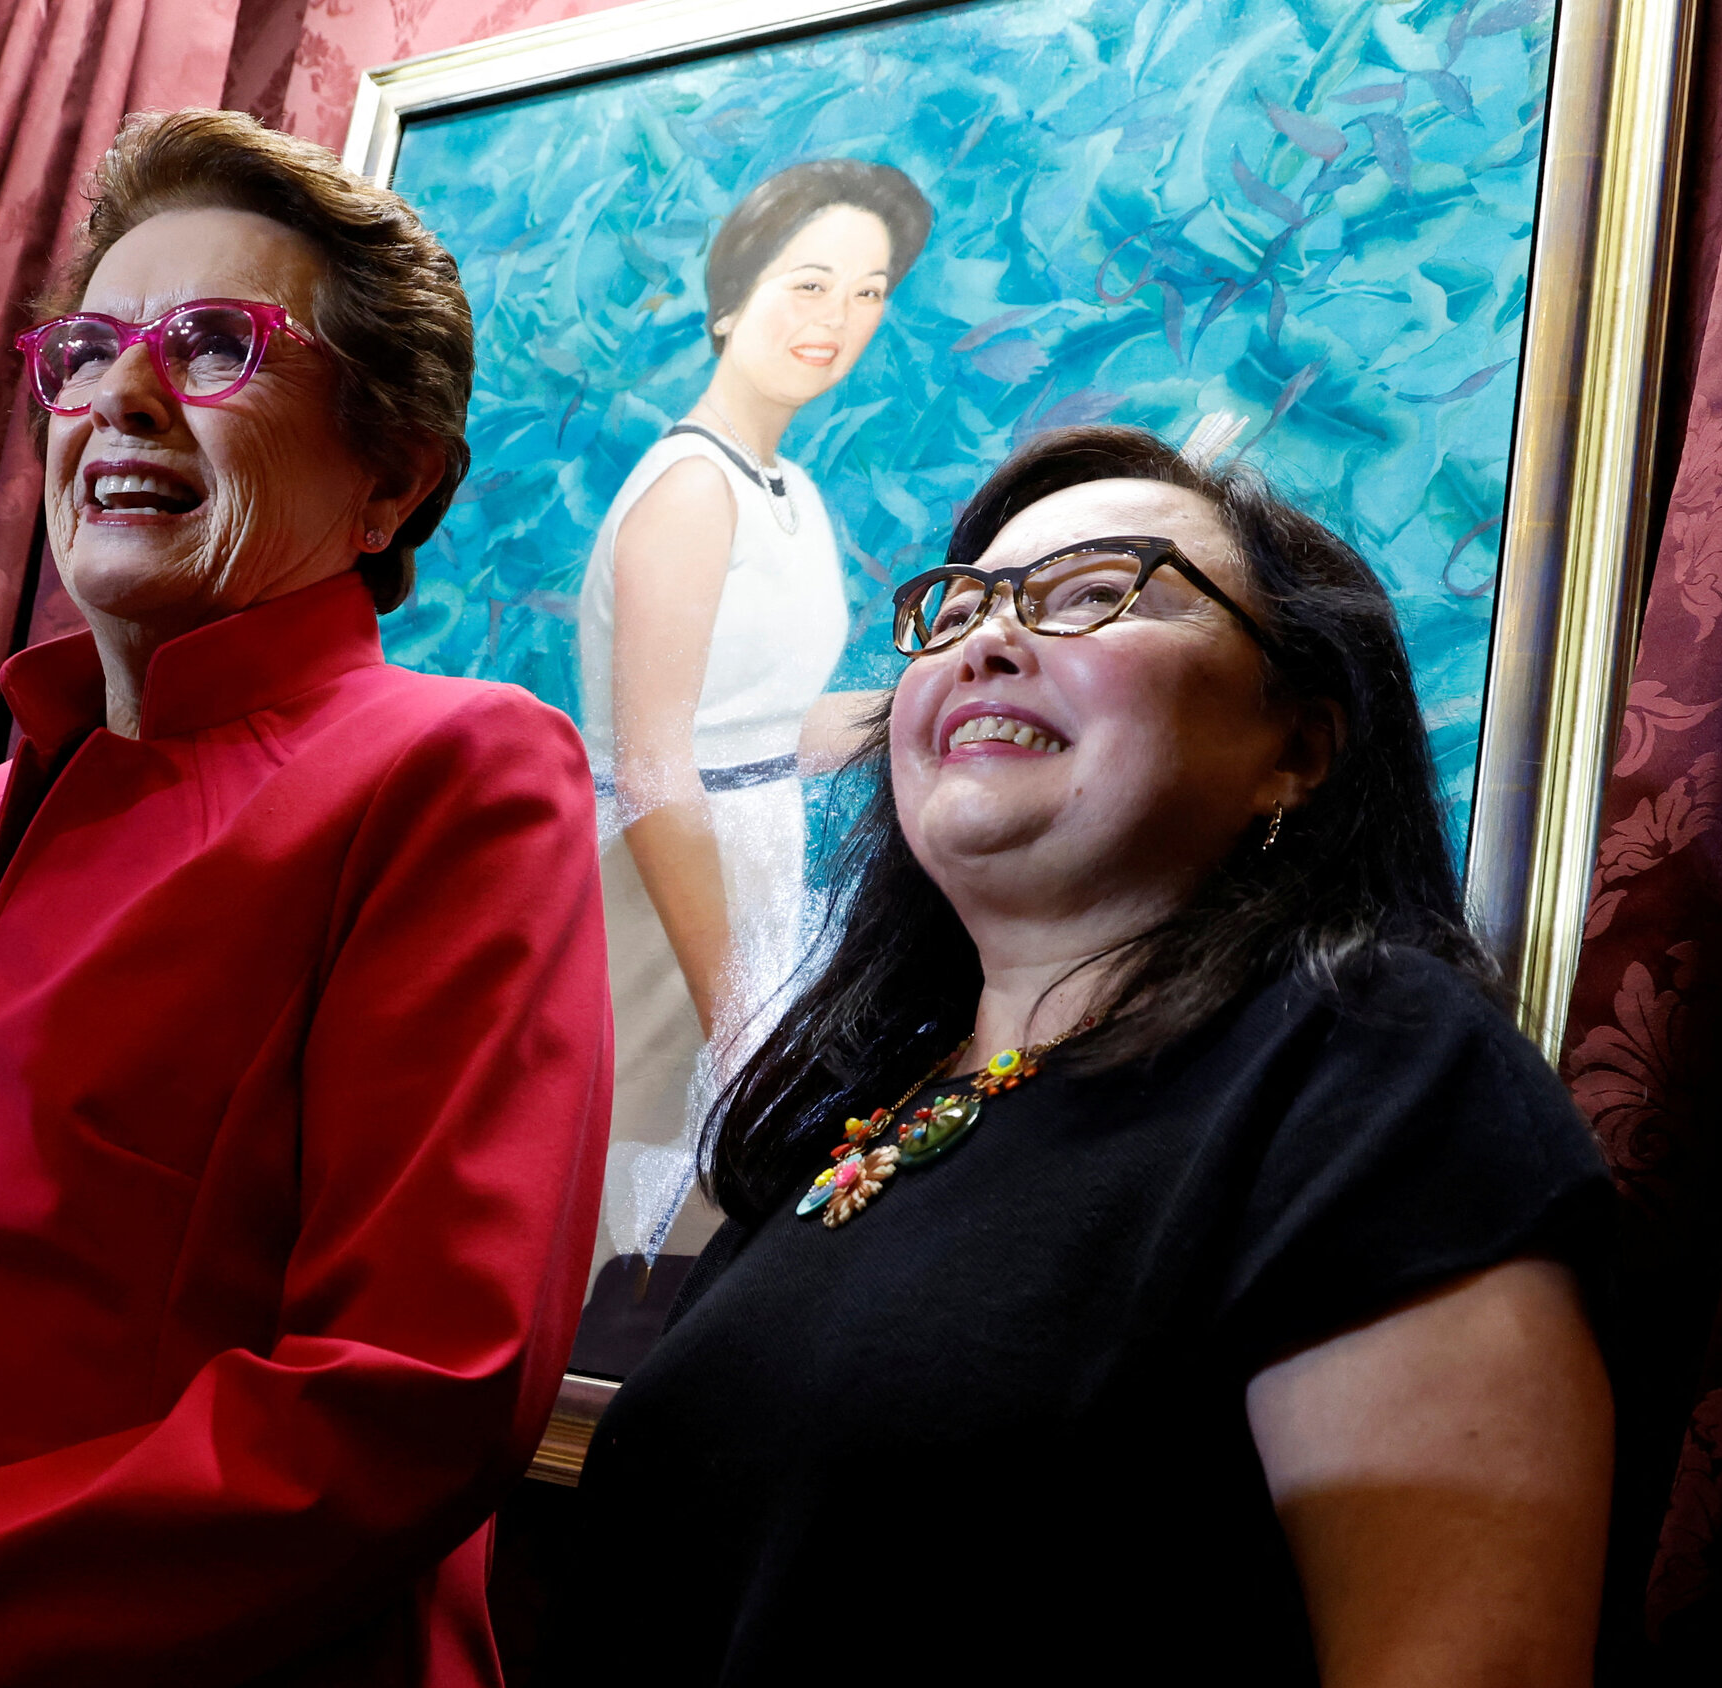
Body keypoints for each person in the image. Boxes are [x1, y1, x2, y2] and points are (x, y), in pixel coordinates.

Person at [0, 110, 611, 1688]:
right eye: (91, 346)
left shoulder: (458, 774)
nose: (123, 395)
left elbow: (421, 1382)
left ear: (393, 479)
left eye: (216, 345)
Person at [546, 425, 1616, 1684]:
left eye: (1098, 591)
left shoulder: (1376, 1067)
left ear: (1298, 749)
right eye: (958, 611)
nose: (989, 637)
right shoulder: (854, 1108)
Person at [573, 160, 933, 1337]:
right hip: (663, 893)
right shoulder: (689, 487)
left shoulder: (789, 488)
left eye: (868, 293)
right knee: (634, 1222)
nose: (835, 319)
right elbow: (660, 763)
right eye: (809, 281)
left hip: (750, 876)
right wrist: (737, 1004)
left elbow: (762, 730)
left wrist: (929, 696)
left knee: (706, 1245)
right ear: (733, 296)